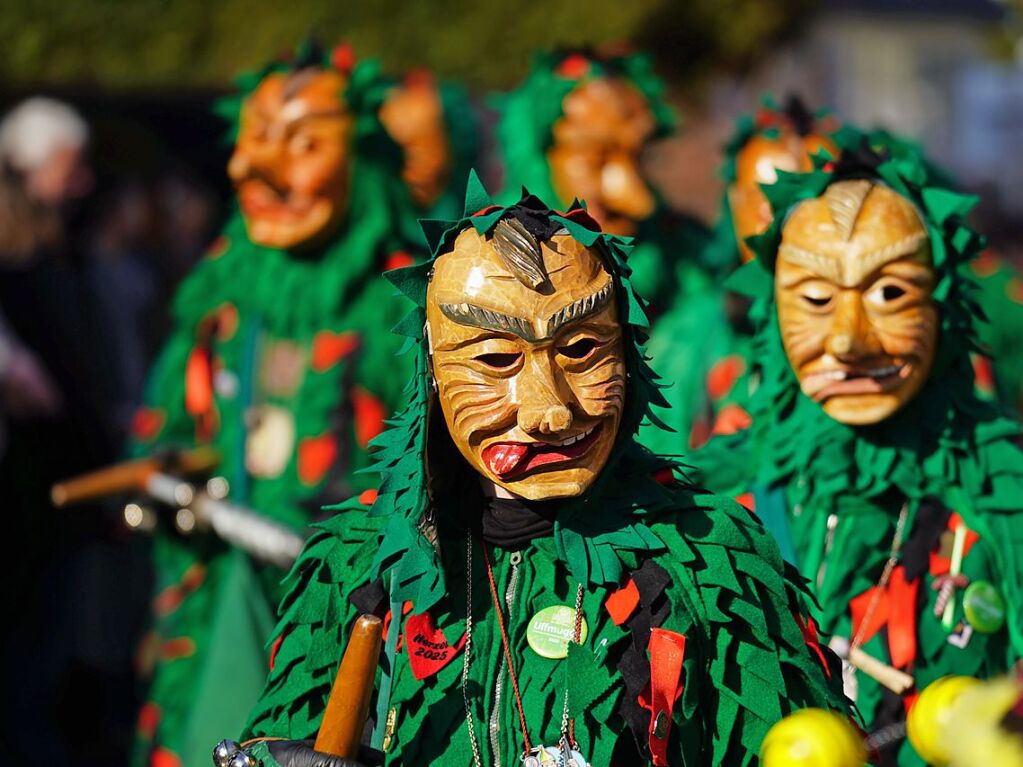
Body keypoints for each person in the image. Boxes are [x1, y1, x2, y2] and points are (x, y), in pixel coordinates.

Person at [222, 176, 849, 767]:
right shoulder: (355, 566)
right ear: (433, 375)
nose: (550, 411)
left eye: (582, 350)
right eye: (495, 358)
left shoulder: (712, 561)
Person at [692, 127, 1023, 766]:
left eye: (890, 294)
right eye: (816, 298)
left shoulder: (1004, 492)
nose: (849, 341)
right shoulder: (714, 504)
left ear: (944, 302)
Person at [130, 41, 419, 767]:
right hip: (228, 592)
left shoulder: (409, 306)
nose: (248, 167)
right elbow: (176, 425)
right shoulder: (222, 299)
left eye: (302, 142)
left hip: (353, 610)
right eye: (254, 138)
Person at [495, 49, 719, 455]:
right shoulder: (473, 282)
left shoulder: (701, 274)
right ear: (539, 157)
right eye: (595, 158)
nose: (636, 199)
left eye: (640, 156)